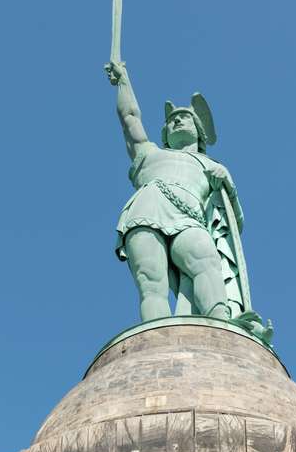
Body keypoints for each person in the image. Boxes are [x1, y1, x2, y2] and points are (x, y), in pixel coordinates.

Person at [105, 60, 245, 324]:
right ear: (165, 133)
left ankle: (222, 325)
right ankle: (157, 340)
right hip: (146, 209)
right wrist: (123, 81)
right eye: (171, 121)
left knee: (206, 262)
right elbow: (129, 118)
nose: (176, 121)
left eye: (184, 118)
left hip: (190, 218)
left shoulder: (212, 166)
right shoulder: (149, 154)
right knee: (151, 282)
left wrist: (228, 185)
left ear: (199, 133)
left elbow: (234, 224)